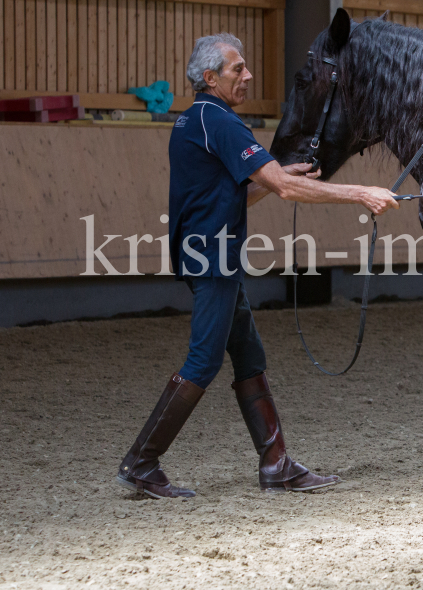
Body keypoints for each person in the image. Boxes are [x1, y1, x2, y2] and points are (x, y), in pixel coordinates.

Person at [116, 33, 399, 499]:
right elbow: (286, 192)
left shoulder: (195, 120)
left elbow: (233, 193)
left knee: (248, 357)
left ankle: (276, 463)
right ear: (210, 78)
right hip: (214, 258)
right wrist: (361, 193)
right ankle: (142, 461)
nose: (247, 76)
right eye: (237, 69)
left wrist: (275, 177)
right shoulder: (221, 122)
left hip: (205, 253)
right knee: (203, 362)